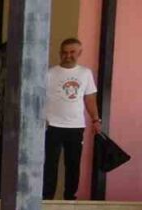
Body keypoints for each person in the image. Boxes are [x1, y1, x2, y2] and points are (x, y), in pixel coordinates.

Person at [44, 37, 102, 201]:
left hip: (76, 126)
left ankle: (70, 198)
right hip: (52, 125)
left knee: (73, 164)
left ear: (79, 53)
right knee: (50, 163)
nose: (68, 56)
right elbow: (39, 98)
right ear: (60, 53)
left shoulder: (85, 73)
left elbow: (90, 99)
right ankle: (47, 198)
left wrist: (96, 120)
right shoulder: (49, 73)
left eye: (72, 52)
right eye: (65, 52)